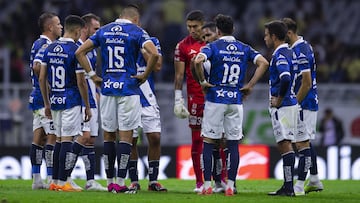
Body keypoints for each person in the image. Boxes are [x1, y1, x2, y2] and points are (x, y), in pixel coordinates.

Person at [75, 4, 159, 193]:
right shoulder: (136, 31)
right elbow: (154, 54)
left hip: (107, 89)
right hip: (128, 89)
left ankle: (110, 182)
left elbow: (79, 52)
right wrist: (144, 75)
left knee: (109, 136)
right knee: (126, 136)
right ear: (135, 19)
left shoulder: (103, 31)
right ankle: (121, 182)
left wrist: (92, 75)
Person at [194, 14, 269, 196]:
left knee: (209, 142)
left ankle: (206, 185)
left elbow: (197, 60)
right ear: (233, 30)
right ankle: (230, 185)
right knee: (233, 144)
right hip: (235, 100)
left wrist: (203, 81)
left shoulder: (213, 46)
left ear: (217, 31)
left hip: (215, 99)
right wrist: (249, 85)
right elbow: (264, 63)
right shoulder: (244, 48)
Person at [39, 15, 90, 192]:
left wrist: (46, 103)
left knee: (59, 140)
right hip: (71, 100)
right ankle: (62, 183)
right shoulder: (76, 50)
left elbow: (41, 77)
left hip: (54, 101)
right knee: (67, 141)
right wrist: (87, 106)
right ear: (77, 31)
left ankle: (55, 180)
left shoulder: (49, 47)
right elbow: (81, 82)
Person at [282, 17, 324, 195]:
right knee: (304, 141)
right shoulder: (300, 47)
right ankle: (314, 178)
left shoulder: (301, 50)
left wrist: (294, 103)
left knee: (302, 143)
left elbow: (306, 83)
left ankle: (300, 184)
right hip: (303, 101)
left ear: (289, 33)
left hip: (305, 102)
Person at [69, 13, 107, 191]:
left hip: (92, 97)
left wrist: (96, 91)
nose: (98, 32)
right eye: (96, 28)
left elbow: (89, 76)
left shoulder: (91, 50)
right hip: (81, 100)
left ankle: (90, 181)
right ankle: (65, 176)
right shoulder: (77, 48)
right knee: (83, 137)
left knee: (90, 139)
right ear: (85, 28)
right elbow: (78, 79)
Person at [127, 36, 167, 193]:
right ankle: (134, 181)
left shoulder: (152, 42)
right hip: (130, 97)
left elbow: (157, 66)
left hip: (148, 97)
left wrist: (142, 49)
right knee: (131, 140)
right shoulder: (123, 42)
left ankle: (153, 181)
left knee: (155, 138)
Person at [173, 10, 206, 193]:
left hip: (215, 98)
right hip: (195, 97)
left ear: (203, 25)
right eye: (189, 26)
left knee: (220, 140)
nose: (192, 30)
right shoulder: (182, 46)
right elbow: (179, 76)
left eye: (195, 26)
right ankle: (199, 182)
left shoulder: (213, 42)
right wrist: (178, 100)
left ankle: (222, 180)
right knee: (197, 140)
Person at [28, 12, 62, 190]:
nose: (61, 27)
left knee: (38, 138)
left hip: (36, 97)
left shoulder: (36, 43)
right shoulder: (47, 45)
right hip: (44, 98)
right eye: (58, 24)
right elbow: (37, 66)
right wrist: (48, 85)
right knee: (52, 137)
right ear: (50, 27)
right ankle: (50, 178)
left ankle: (36, 179)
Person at [264, 20, 298, 197]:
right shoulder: (290, 51)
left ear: (274, 36)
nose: (265, 38)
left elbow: (285, 78)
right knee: (286, 144)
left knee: (285, 144)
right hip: (290, 104)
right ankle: (288, 185)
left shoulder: (280, 55)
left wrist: (279, 98)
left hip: (283, 106)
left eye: (266, 35)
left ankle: (288, 187)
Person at [199, 21, 227, 193]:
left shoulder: (222, 51)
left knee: (222, 142)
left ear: (217, 33)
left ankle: (225, 181)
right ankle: (214, 181)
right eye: (203, 37)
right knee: (212, 142)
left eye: (208, 35)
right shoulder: (206, 54)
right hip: (213, 103)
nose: (206, 39)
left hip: (227, 102)